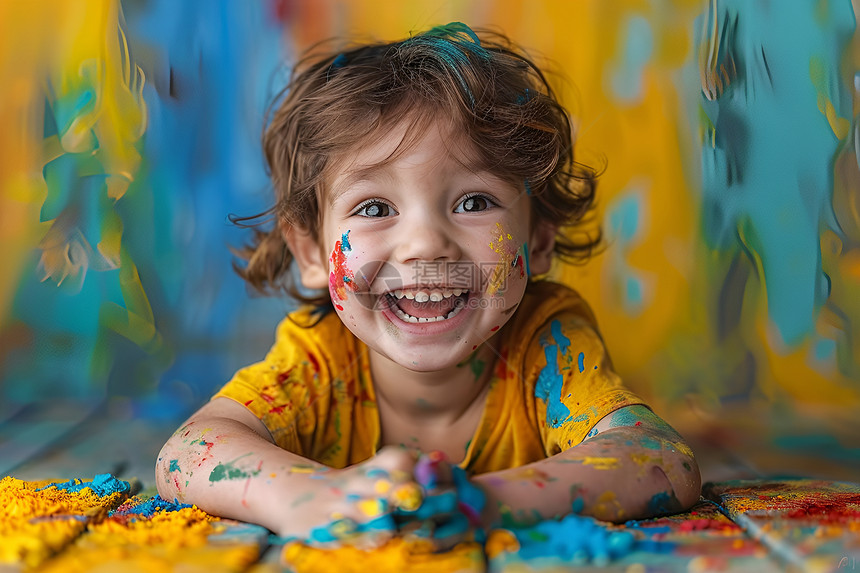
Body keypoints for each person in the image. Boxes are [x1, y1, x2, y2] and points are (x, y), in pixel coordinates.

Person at [156, 22, 701, 549]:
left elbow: (661, 457)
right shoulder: (319, 358)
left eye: (474, 202)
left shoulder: (545, 346)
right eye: (374, 207)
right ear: (312, 253)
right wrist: (315, 495)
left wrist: (485, 502)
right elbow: (189, 452)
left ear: (537, 240)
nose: (424, 244)